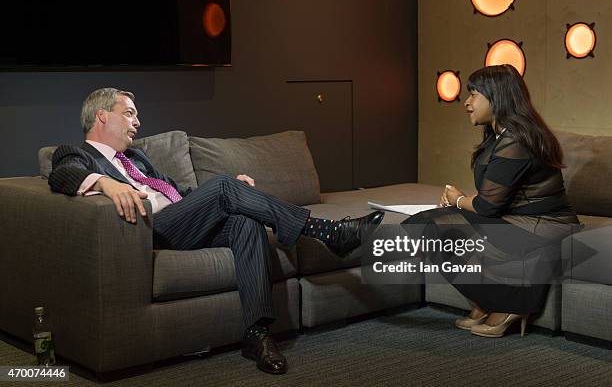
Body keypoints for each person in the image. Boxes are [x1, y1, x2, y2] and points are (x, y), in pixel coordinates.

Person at [48, 88, 384, 374]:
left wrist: (238, 194)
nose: (137, 123)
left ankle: (257, 334)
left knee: (245, 219)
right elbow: (62, 175)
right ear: (102, 116)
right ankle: (325, 232)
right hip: (154, 230)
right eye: (129, 114)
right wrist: (105, 182)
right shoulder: (76, 153)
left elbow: (180, 196)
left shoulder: (137, 158)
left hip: (182, 221)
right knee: (225, 187)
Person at [405, 65, 579, 338]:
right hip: (516, 221)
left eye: (473, 94)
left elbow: (487, 206)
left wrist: (458, 199)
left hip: (542, 226)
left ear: (497, 98)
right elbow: (493, 198)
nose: (467, 103)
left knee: (428, 227)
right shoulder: (499, 137)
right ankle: (492, 301)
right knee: (432, 225)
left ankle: (509, 304)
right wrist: (460, 203)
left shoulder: (517, 140)